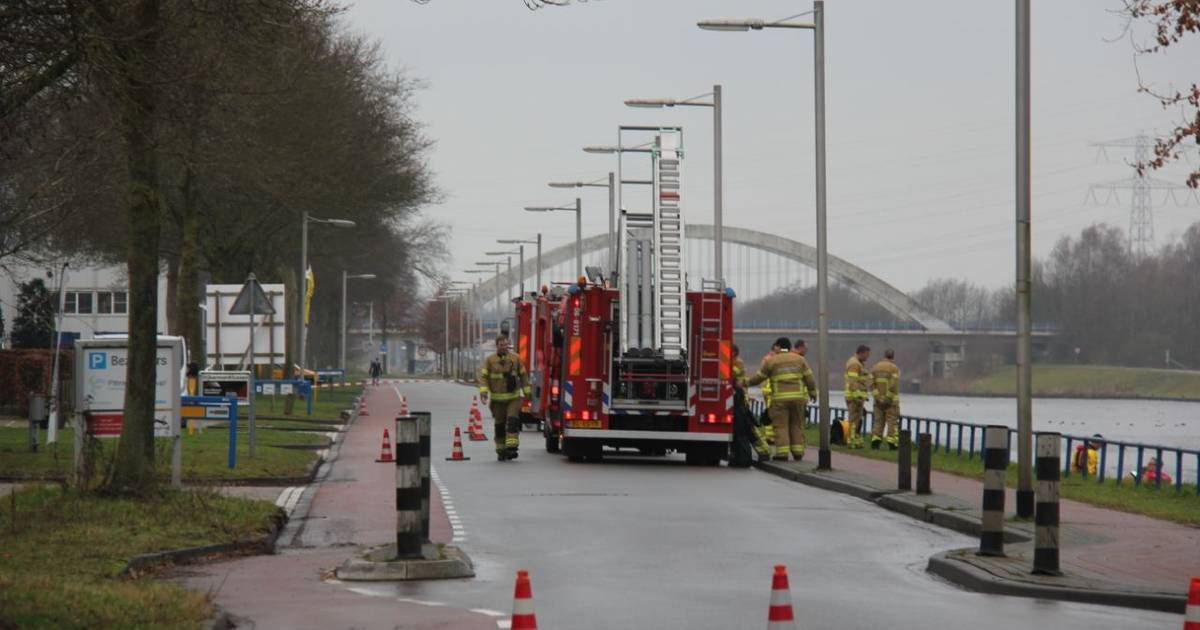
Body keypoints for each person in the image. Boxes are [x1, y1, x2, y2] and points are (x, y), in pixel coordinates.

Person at [747, 337, 817, 462]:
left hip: (780, 400)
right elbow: (809, 378)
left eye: (776, 347)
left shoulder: (772, 361)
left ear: (779, 347)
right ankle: (798, 453)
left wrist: (745, 383)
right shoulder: (800, 360)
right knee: (797, 425)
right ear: (789, 347)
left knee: (781, 426)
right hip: (798, 399)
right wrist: (812, 392)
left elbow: (759, 378)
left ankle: (782, 454)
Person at [478, 335, 531, 461]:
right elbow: (483, 377)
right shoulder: (490, 360)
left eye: (506, 344)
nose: (504, 347)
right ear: (497, 346)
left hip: (513, 398)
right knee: (499, 426)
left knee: (512, 421)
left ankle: (512, 448)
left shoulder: (515, 358)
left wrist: (527, 392)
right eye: (502, 345)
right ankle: (501, 450)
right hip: (497, 400)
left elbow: (523, 375)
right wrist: (484, 392)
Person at [732, 344, 769, 460]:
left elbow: (734, 373)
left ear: (733, 353)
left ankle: (764, 451)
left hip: (741, 399)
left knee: (749, 428)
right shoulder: (733, 362)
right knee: (745, 429)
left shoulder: (738, 362)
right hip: (737, 398)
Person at [869, 348, 901, 450]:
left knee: (878, 421)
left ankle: (875, 442)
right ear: (893, 357)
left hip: (878, 401)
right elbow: (893, 385)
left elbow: (870, 383)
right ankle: (892, 444)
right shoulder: (894, 368)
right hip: (891, 402)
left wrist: (877, 397)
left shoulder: (875, 367)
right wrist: (887, 398)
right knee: (892, 422)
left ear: (884, 355)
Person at [843, 345, 871, 449]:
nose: (868, 357)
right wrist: (858, 396)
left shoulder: (859, 363)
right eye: (867, 354)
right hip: (854, 397)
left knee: (857, 420)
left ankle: (856, 440)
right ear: (862, 353)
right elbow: (853, 382)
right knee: (854, 420)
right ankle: (852, 441)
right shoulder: (854, 364)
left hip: (858, 397)